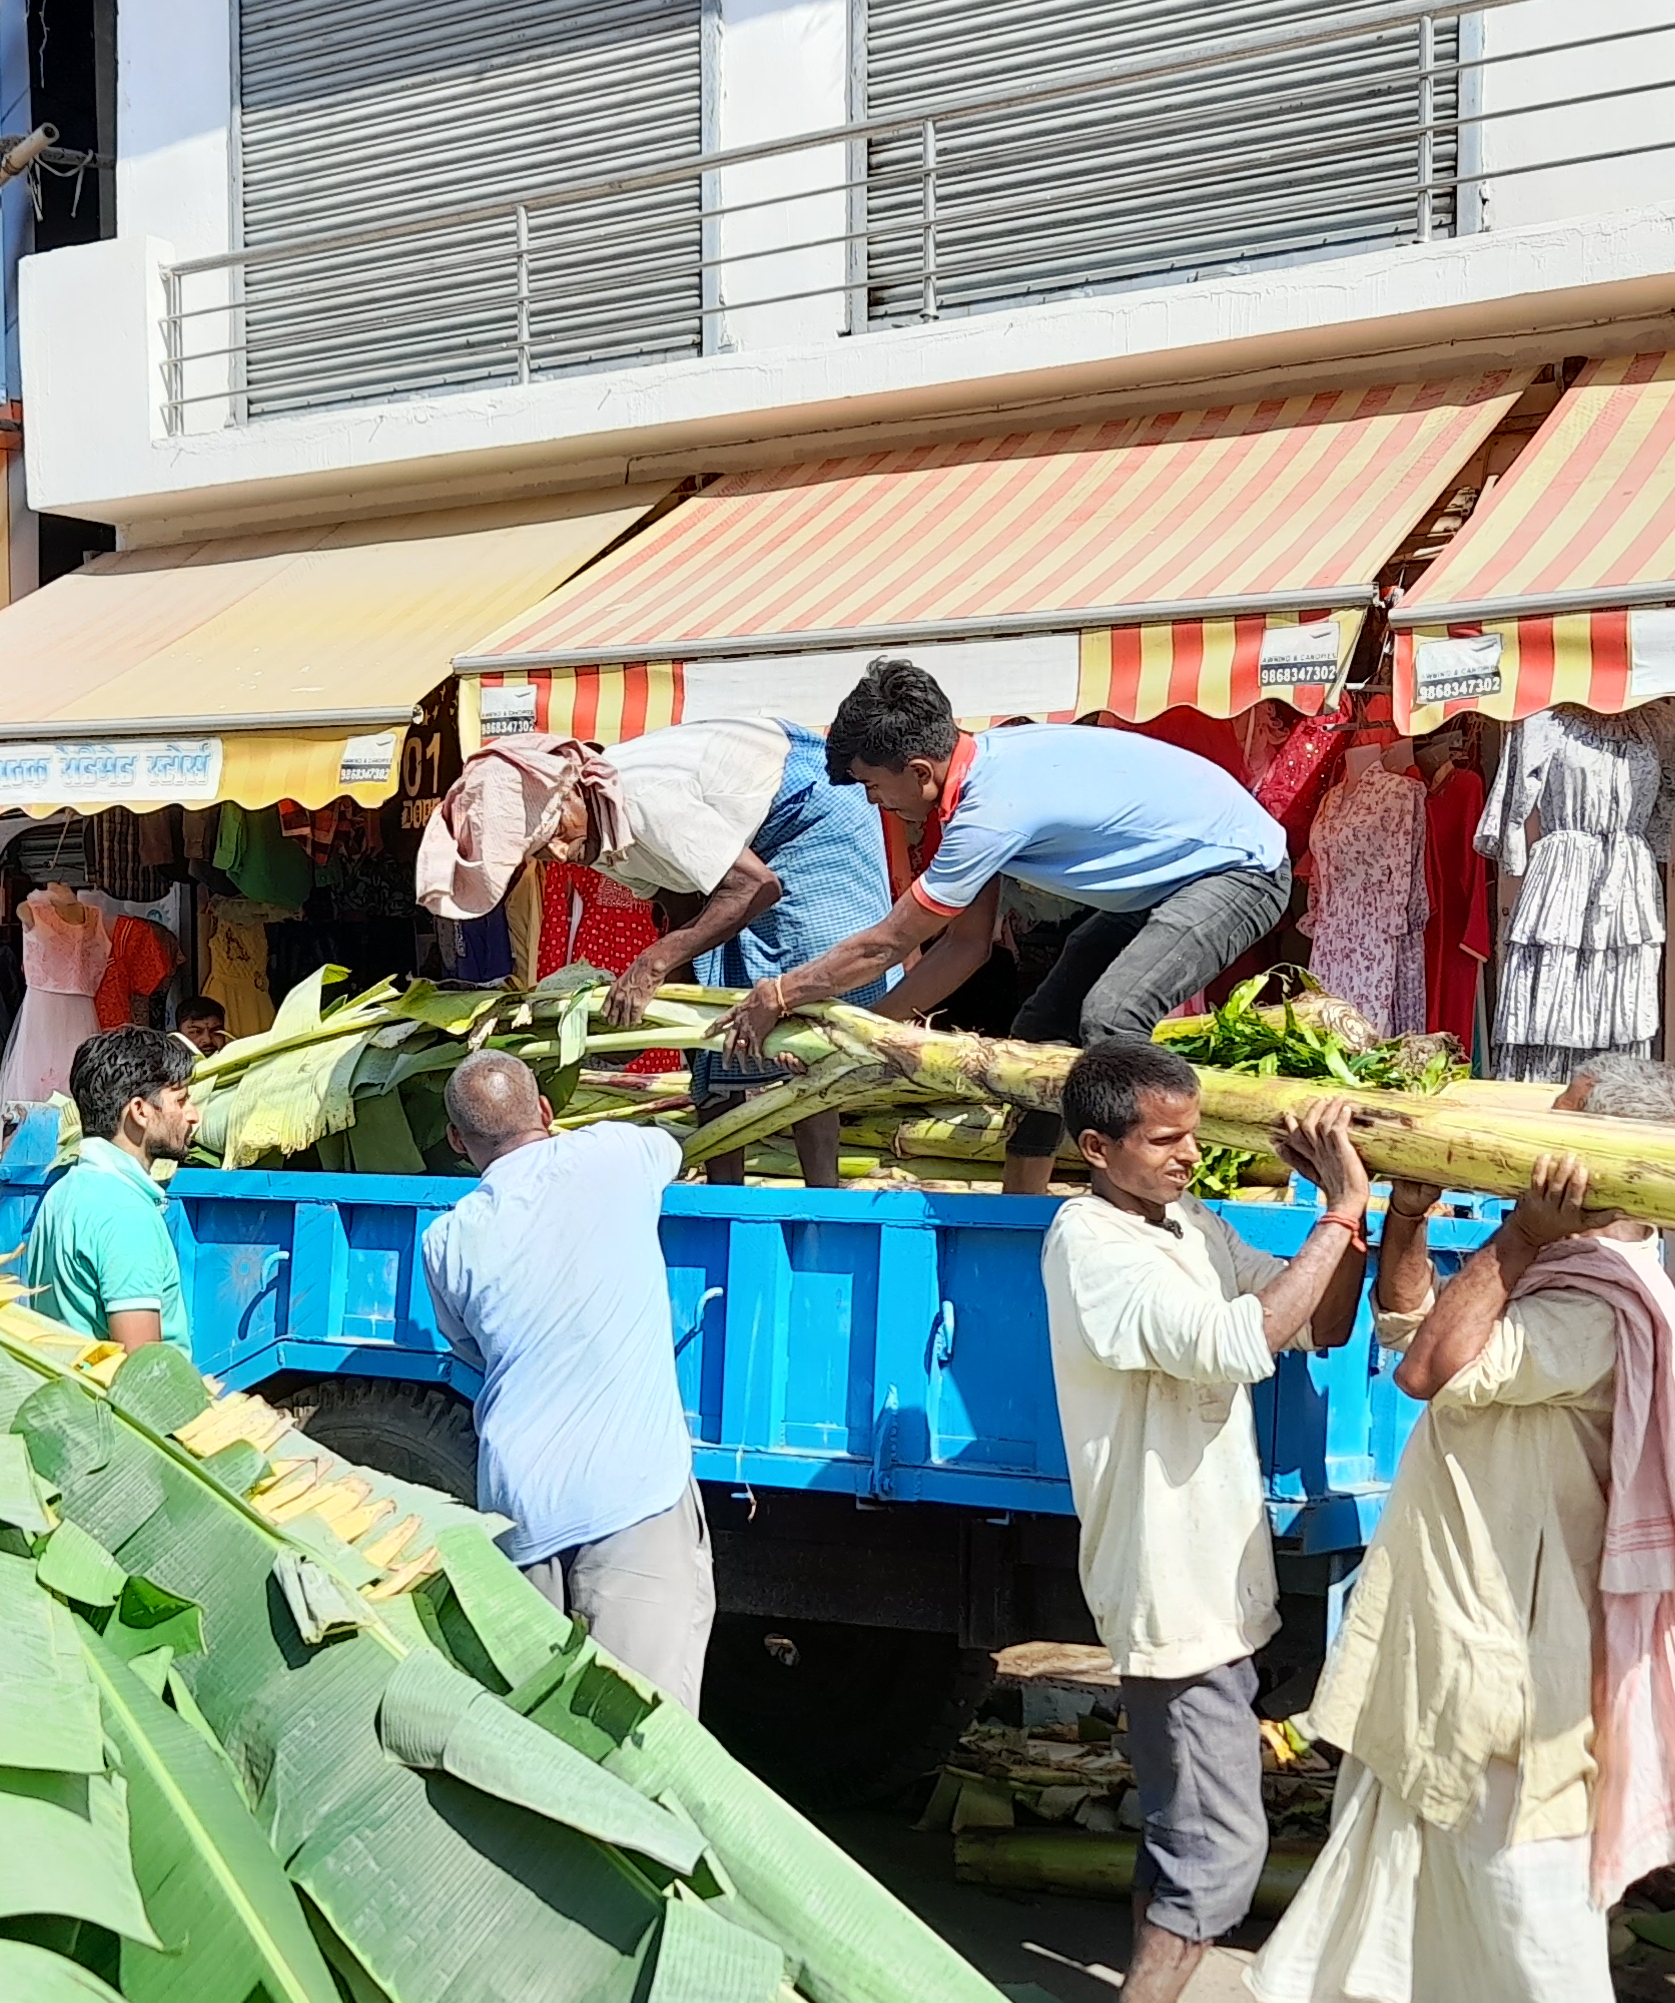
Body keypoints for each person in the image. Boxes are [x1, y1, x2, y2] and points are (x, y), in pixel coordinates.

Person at [1247, 1057, 1675, 2003]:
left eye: (1557, 1134)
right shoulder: (1559, 1268)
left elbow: (1427, 1368)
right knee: (1431, 1858)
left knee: (1527, 1889)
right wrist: (1409, 1216)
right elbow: (1410, 1315)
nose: (1530, 1148)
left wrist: (1514, 1235)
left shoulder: (1601, 1300)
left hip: (1517, 1635)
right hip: (1459, 1606)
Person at [1037, 1037, 1372, 2003]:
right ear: (1097, 1148)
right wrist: (1342, 1212)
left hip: (1221, 1578)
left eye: (1192, 1134)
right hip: (1169, 1582)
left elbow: (1318, 1317)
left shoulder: (1188, 1225)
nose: (1188, 1155)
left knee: (1183, 1824)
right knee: (1219, 1844)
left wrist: (1367, 1211)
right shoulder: (1089, 1243)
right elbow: (1237, 1344)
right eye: (1164, 1140)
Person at [717, 661, 1294, 1192]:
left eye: (874, 788)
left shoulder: (990, 811)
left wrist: (780, 993)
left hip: (1241, 872)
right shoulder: (976, 778)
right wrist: (861, 1033)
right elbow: (964, 948)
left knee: (1113, 1018)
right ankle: (1020, 1207)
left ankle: (1139, 1204)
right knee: (1041, 1027)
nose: (876, 804)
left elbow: (892, 940)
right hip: (1167, 883)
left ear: (918, 771)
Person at [417, 721, 892, 1192]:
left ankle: (822, 1195)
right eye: (541, 851)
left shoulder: (646, 798)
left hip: (807, 814)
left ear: (574, 794)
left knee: (794, 1004)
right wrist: (663, 1010)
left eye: (558, 830)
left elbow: (755, 886)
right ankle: (723, 1192)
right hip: (743, 861)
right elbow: (684, 905)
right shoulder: (594, 840)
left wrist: (652, 964)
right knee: (715, 1027)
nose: (560, 852)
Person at [419, 1051, 711, 1711]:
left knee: (538, 1732)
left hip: (519, 1505)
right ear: (547, 1113)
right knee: (643, 1734)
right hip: (631, 1493)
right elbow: (676, 1149)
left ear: (458, 1142)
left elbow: (469, 1349)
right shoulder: (613, 1156)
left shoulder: (447, 1239)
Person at [24, 1026, 195, 1349]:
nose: (193, 1115)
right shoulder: (127, 1216)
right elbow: (141, 1376)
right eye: (181, 1100)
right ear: (140, 1111)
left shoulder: (62, 1192)